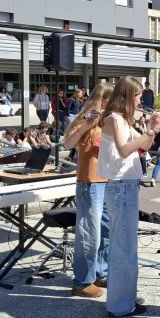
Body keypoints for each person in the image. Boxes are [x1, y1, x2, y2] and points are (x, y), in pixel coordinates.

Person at [98, 77, 160, 317]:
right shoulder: (114, 119)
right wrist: (147, 130)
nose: (140, 100)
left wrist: (154, 128)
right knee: (124, 249)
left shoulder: (124, 120)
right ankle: (121, 306)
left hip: (126, 185)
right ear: (127, 96)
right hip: (121, 186)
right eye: (138, 96)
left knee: (125, 247)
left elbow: (143, 147)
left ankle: (123, 298)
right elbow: (125, 150)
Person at [63, 82, 114, 298]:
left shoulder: (109, 120)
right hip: (90, 182)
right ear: (102, 99)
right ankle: (82, 281)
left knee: (106, 231)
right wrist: (86, 124)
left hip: (107, 181)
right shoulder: (86, 117)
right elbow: (67, 144)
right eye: (111, 100)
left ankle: (100, 273)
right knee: (89, 235)